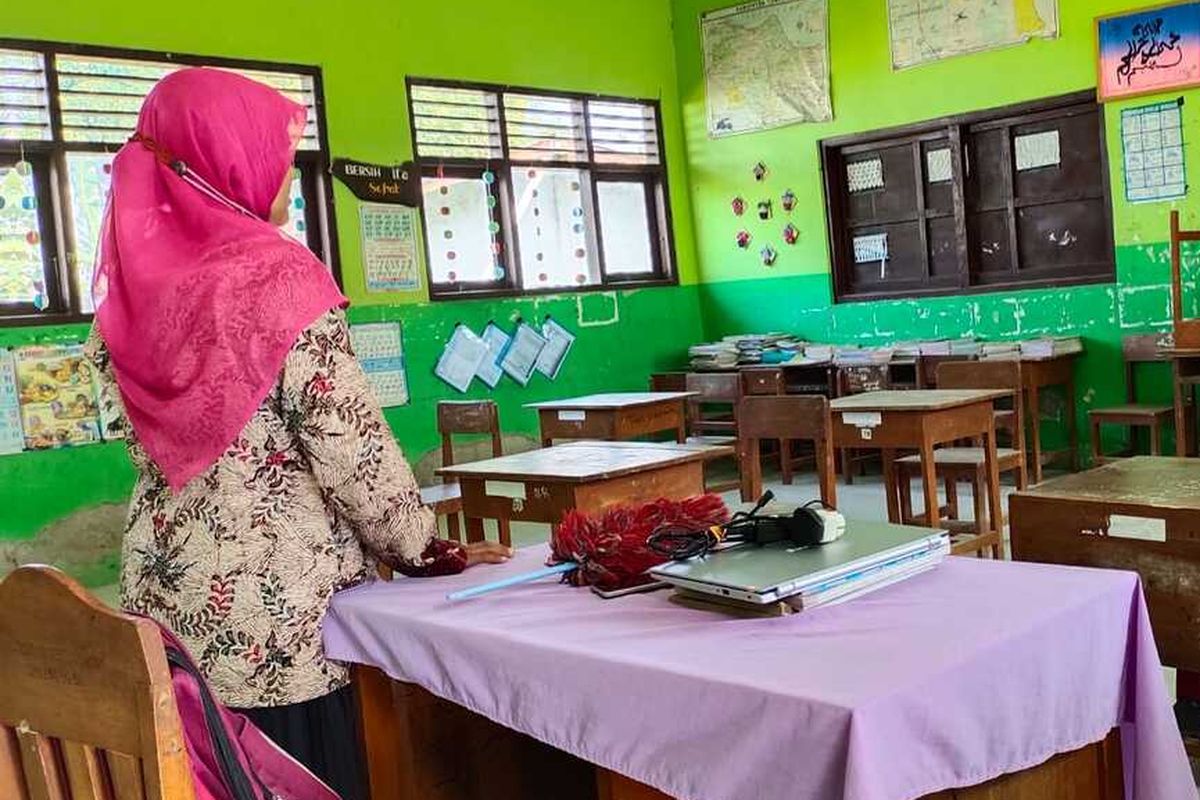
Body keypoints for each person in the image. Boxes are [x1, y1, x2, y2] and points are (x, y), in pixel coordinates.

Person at [85, 68, 511, 800]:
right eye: (271, 154)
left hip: (164, 603)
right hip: (280, 620)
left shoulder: (130, 292)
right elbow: (351, 449)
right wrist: (423, 550)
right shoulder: (277, 279)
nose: (285, 172)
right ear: (225, 164)